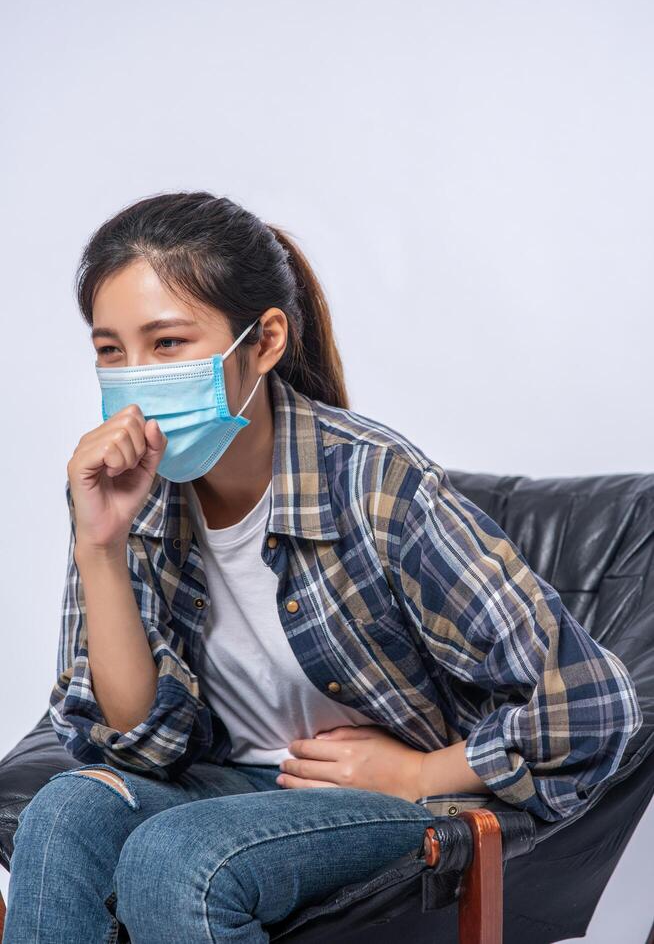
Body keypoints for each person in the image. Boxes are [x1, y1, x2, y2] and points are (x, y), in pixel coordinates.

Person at [3, 192, 642, 943]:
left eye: (168, 344)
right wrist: (99, 546)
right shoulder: (121, 490)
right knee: (65, 813)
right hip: (222, 783)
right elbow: (131, 741)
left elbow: (596, 708)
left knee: (178, 858)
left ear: (265, 340)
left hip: (383, 801)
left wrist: (419, 775)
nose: (135, 379)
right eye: (112, 351)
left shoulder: (376, 487)